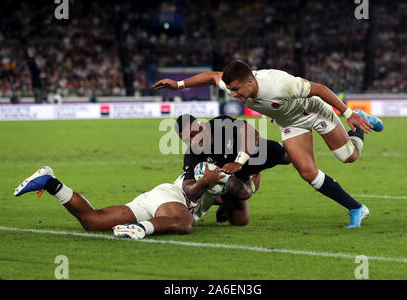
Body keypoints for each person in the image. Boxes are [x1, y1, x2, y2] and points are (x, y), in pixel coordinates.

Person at [153, 60, 385, 228]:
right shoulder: (235, 84)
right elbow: (213, 76)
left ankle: (358, 123)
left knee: (349, 157)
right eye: (231, 90)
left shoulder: (279, 84)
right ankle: (356, 208)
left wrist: (347, 112)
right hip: (290, 123)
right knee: (307, 172)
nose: (233, 94)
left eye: (236, 89)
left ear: (251, 81)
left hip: (313, 110)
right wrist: (178, 84)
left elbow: (320, 89)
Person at [13, 166, 224, 239]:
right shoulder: (210, 169)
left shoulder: (220, 185)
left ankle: (51, 183)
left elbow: (231, 210)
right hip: (169, 197)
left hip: (155, 200)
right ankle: (140, 229)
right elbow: (196, 191)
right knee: (184, 222)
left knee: (93, 221)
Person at [174, 114, 290, 225]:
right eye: (186, 140)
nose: (192, 142)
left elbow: (250, 132)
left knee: (290, 157)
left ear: (202, 126)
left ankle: (227, 195)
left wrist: (239, 161)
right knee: (240, 221)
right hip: (234, 176)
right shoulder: (192, 154)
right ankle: (226, 200)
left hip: (255, 154)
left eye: (193, 134)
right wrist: (203, 182)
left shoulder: (219, 124)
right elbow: (189, 189)